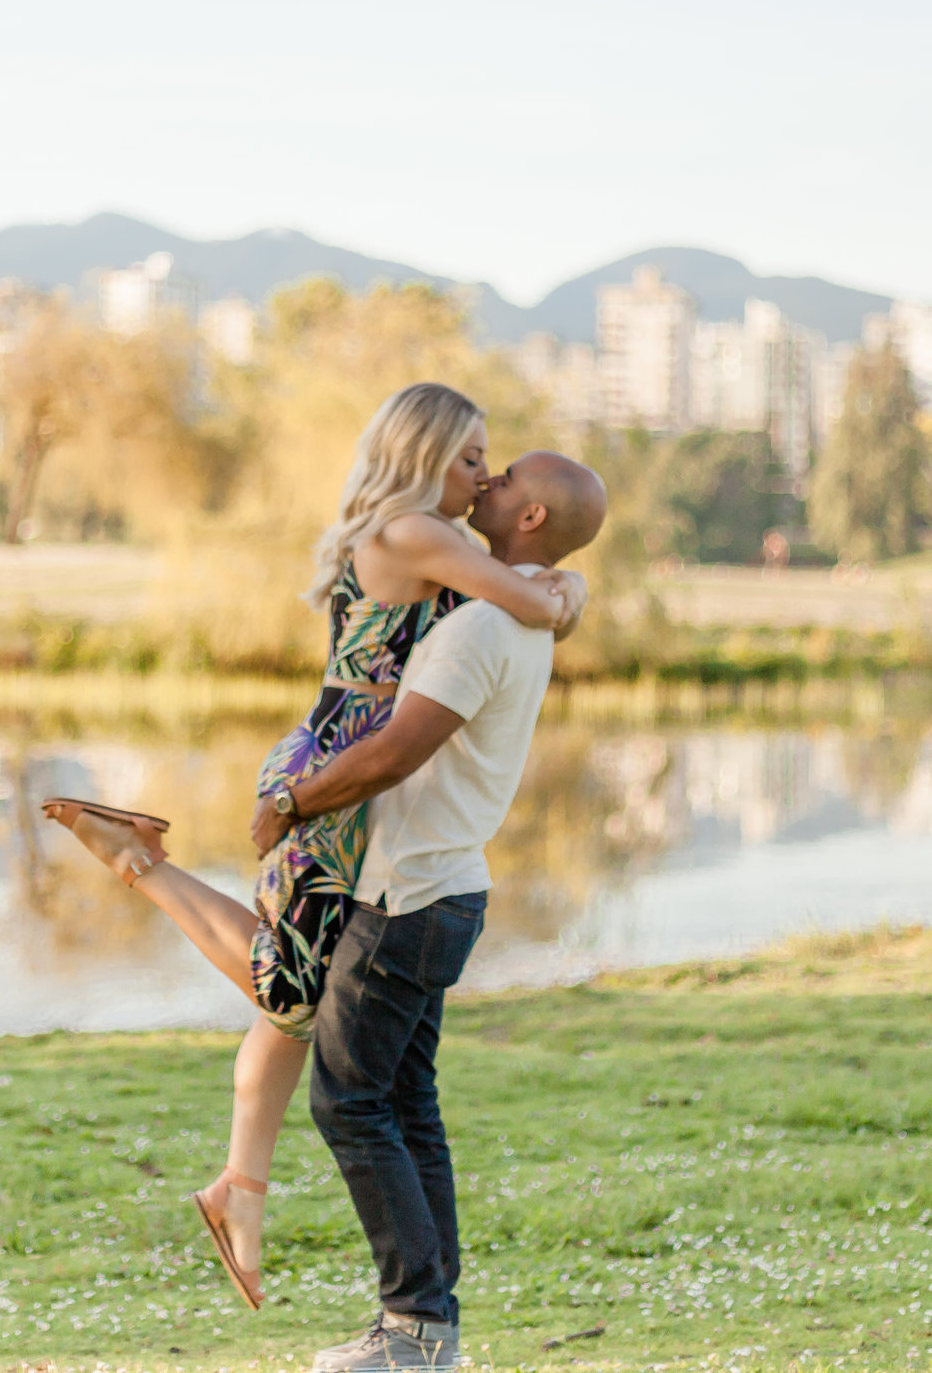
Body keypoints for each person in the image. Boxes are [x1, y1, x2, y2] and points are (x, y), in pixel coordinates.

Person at [38, 383, 586, 1312]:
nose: (481, 474)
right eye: (467, 458)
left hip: (340, 765)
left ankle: (240, 1193)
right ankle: (140, 861)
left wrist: (555, 580)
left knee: (293, 996)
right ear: (421, 457)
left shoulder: (415, 531)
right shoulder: (416, 533)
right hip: (337, 773)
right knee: (284, 986)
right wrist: (563, 585)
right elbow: (526, 602)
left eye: (488, 462)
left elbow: (519, 594)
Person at [281, 448, 607, 1372]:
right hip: (444, 886)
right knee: (406, 1104)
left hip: (410, 896)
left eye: (501, 478)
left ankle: (417, 1328)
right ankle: (425, 1330)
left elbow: (392, 753)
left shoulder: (483, 631)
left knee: (348, 1102)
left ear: (531, 517)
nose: (486, 483)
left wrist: (292, 804)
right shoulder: (512, 604)